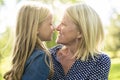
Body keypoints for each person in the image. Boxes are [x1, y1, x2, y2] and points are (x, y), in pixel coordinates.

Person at [50, 3, 111, 80]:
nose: (57, 28)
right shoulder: (48, 56)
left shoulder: (99, 61)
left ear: (80, 32)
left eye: (63, 24)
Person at [4, 1, 54, 80]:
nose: (53, 28)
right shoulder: (40, 57)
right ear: (36, 27)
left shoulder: (24, 56)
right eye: (50, 24)